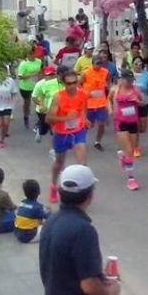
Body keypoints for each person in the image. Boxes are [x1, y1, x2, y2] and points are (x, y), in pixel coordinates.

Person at [40, 165, 119, 295]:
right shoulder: (83, 231)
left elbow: (61, 266)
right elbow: (88, 286)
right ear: (90, 195)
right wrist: (110, 293)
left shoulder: (51, 221)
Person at [46, 67, 90, 203]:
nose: (72, 86)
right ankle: (53, 186)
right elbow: (48, 119)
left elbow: (83, 110)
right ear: (64, 83)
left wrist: (85, 119)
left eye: (75, 82)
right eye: (69, 83)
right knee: (59, 164)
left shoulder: (82, 94)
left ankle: (81, 193)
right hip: (61, 134)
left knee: (82, 164)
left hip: (77, 131)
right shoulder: (58, 97)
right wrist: (65, 119)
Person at [108, 70, 143, 190]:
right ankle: (131, 179)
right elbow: (108, 100)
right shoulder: (115, 90)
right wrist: (110, 110)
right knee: (128, 151)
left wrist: (137, 101)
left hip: (133, 121)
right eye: (127, 80)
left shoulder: (136, 90)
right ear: (121, 79)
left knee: (131, 151)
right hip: (120, 122)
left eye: (131, 80)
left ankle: (122, 155)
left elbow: (143, 103)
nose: (130, 83)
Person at [80, 55, 111, 151]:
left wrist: (107, 86)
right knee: (87, 125)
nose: (99, 65)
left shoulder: (105, 72)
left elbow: (109, 81)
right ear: (92, 63)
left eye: (100, 63)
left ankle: (97, 142)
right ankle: (80, 141)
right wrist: (86, 94)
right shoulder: (86, 73)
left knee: (101, 124)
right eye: (97, 63)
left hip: (101, 103)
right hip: (89, 104)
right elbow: (79, 85)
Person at [132, 57, 148, 157]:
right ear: (132, 64)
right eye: (136, 63)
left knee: (143, 127)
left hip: (144, 102)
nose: (138, 65)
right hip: (132, 104)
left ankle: (132, 137)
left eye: (140, 63)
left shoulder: (146, 75)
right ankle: (135, 147)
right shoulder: (130, 74)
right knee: (135, 127)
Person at [14, 179, 49, 243]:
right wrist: (49, 211)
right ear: (39, 192)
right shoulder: (38, 207)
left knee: (34, 218)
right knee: (49, 226)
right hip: (29, 236)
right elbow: (49, 217)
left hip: (17, 234)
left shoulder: (21, 203)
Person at [32, 66, 61, 143]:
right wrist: (42, 106)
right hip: (43, 111)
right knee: (44, 130)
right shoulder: (40, 84)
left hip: (55, 111)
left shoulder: (58, 83)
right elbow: (34, 97)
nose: (51, 77)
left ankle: (56, 145)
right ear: (44, 75)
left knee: (55, 129)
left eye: (52, 74)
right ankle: (39, 130)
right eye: (49, 75)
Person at [17, 49, 43, 129]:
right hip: (26, 87)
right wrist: (31, 75)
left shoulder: (39, 61)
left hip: (37, 86)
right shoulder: (23, 64)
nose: (32, 55)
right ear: (27, 55)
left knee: (39, 102)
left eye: (33, 54)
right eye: (30, 54)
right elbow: (20, 77)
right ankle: (26, 117)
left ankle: (41, 119)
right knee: (27, 103)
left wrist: (41, 77)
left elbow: (41, 71)